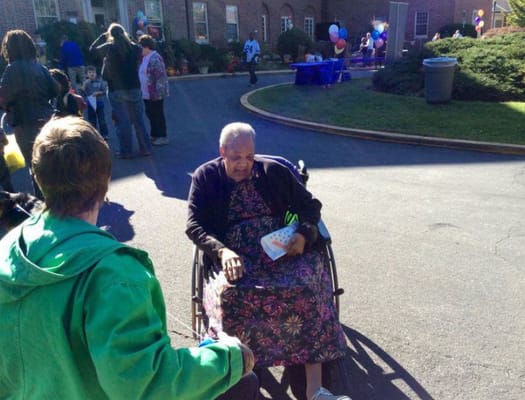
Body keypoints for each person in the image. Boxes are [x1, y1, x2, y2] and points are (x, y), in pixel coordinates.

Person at [0, 116, 259, 400]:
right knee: (245, 384)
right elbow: (145, 383)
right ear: (106, 180)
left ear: (38, 177)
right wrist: (230, 359)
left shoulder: (10, 248)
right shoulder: (113, 274)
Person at [186, 122, 350, 400]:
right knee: (230, 294)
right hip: (234, 253)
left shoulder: (273, 171)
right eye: (236, 157)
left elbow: (310, 207)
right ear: (222, 151)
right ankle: (241, 374)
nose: (244, 164)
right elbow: (194, 226)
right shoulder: (206, 177)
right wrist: (222, 251)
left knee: (309, 285)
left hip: (281, 249)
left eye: (249, 157)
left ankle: (315, 390)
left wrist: (303, 233)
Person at [0, 29, 59, 198]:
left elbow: (4, 98)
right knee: (53, 163)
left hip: (25, 124)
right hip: (47, 119)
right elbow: (55, 89)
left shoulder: (11, 70)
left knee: (35, 166)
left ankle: (46, 205)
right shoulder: (38, 67)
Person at [89, 23, 151, 159]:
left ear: (110, 35)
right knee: (138, 120)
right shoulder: (134, 48)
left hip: (116, 89)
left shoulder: (110, 47)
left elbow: (91, 51)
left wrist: (101, 37)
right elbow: (139, 49)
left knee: (123, 122)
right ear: (124, 33)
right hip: (134, 87)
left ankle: (126, 151)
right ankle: (145, 148)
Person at [138, 34, 169, 146]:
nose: (139, 49)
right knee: (150, 113)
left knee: (158, 114)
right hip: (146, 93)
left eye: (141, 47)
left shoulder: (155, 58)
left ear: (147, 47)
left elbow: (160, 76)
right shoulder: (144, 58)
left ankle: (162, 136)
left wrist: (157, 93)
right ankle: (154, 135)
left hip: (155, 93)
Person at [82, 65, 109, 140]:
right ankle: (94, 134)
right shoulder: (86, 83)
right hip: (90, 104)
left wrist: (98, 92)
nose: (91, 74)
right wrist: (84, 85)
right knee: (92, 121)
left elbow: (104, 91)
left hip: (99, 103)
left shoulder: (99, 82)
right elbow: (82, 93)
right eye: (89, 72)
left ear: (96, 73)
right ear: (87, 74)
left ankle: (104, 134)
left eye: (93, 72)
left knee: (102, 120)